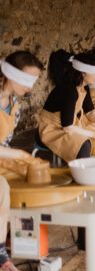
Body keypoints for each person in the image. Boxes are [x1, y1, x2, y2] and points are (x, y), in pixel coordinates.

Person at [0, 51, 44, 271]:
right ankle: (1, 257)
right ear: (9, 74)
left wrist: (20, 161)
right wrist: (18, 155)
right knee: (1, 188)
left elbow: (5, 143)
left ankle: (15, 235)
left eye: (33, 81)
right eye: (26, 80)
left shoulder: (14, 103)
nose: (29, 86)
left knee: (28, 176)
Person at [39, 52, 95, 163]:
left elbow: (90, 111)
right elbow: (67, 127)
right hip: (53, 129)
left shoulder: (83, 86)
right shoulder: (69, 90)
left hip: (72, 123)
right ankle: (82, 174)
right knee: (83, 144)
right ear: (83, 73)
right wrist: (94, 134)